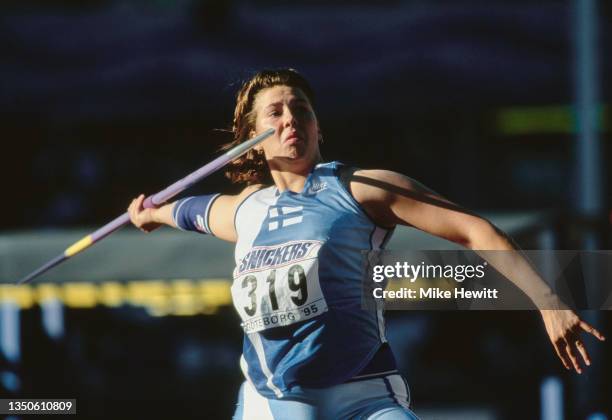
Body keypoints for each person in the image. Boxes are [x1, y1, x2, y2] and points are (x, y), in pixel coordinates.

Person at [127, 68, 604, 419]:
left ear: (318, 128)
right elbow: (188, 211)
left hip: (367, 395)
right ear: (252, 143)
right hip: (276, 400)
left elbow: (476, 230)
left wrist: (548, 302)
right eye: (276, 113)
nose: (291, 118)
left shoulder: (361, 188)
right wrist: (151, 213)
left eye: (302, 110)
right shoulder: (244, 209)